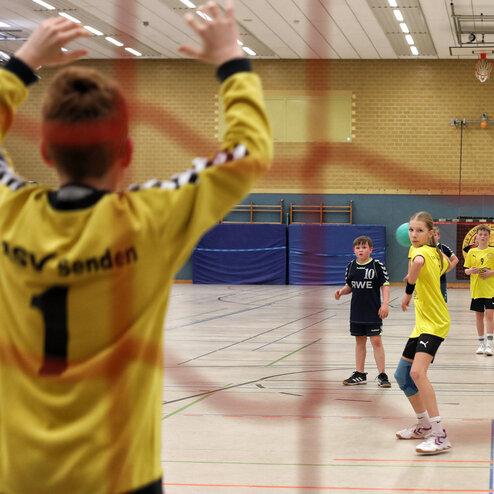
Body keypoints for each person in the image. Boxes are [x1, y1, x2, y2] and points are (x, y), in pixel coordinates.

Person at [0, 2, 272, 493]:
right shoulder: (149, 219)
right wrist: (231, 60)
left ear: (44, 152)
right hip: (120, 476)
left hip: (20, 477)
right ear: (126, 152)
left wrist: (22, 63)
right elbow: (249, 152)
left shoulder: (10, 213)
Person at [395, 211, 452, 455]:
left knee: (417, 373)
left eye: (419, 230)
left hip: (435, 323)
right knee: (402, 375)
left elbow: (418, 263)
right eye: (411, 230)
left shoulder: (422, 253)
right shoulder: (433, 253)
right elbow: (450, 263)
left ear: (430, 233)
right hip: (421, 324)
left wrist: (408, 289)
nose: (414, 234)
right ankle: (424, 425)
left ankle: (439, 435)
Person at [335, 235, 391, 388]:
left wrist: (385, 304)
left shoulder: (377, 265)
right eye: (358, 247)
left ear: (371, 249)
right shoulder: (351, 266)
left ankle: (382, 375)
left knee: (376, 341)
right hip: (357, 311)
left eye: (364, 247)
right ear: (354, 250)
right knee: (360, 341)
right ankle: (359, 373)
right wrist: (341, 292)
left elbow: (385, 285)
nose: (361, 250)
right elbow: (349, 286)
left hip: (373, 311)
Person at [463, 225, 494, 356]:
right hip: (477, 290)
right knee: (479, 316)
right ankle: (481, 344)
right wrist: (471, 271)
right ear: (477, 236)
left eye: (485, 235)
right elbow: (466, 270)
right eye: (480, 234)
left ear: (489, 237)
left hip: (491, 290)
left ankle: (489, 345)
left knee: (490, 316)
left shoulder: (492, 251)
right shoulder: (471, 252)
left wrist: (490, 273)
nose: (483, 236)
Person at [432, 226, 459, 302]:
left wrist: (446, 270)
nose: (433, 237)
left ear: (438, 236)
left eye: (435, 235)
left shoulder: (443, 248)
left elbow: (455, 259)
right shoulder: (425, 248)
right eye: (431, 235)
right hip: (429, 280)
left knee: (442, 302)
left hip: (441, 280)